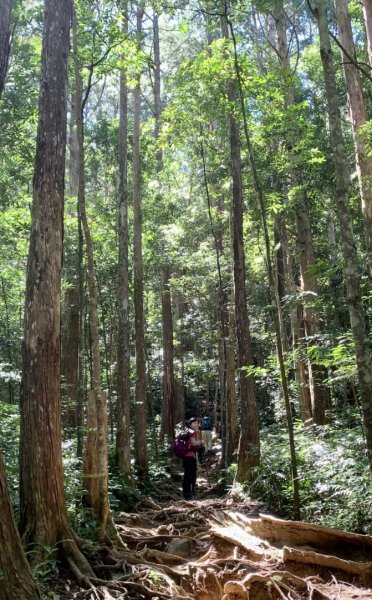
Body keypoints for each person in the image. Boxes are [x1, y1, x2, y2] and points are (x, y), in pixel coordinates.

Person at [182, 417, 203, 500]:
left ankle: (191, 494)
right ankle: (188, 495)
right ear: (190, 425)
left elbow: (195, 446)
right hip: (188, 457)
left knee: (192, 475)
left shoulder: (195, 433)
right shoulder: (191, 433)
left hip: (192, 456)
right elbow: (194, 443)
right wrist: (201, 442)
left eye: (197, 423)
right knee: (189, 475)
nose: (196, 424)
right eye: (193, 423)